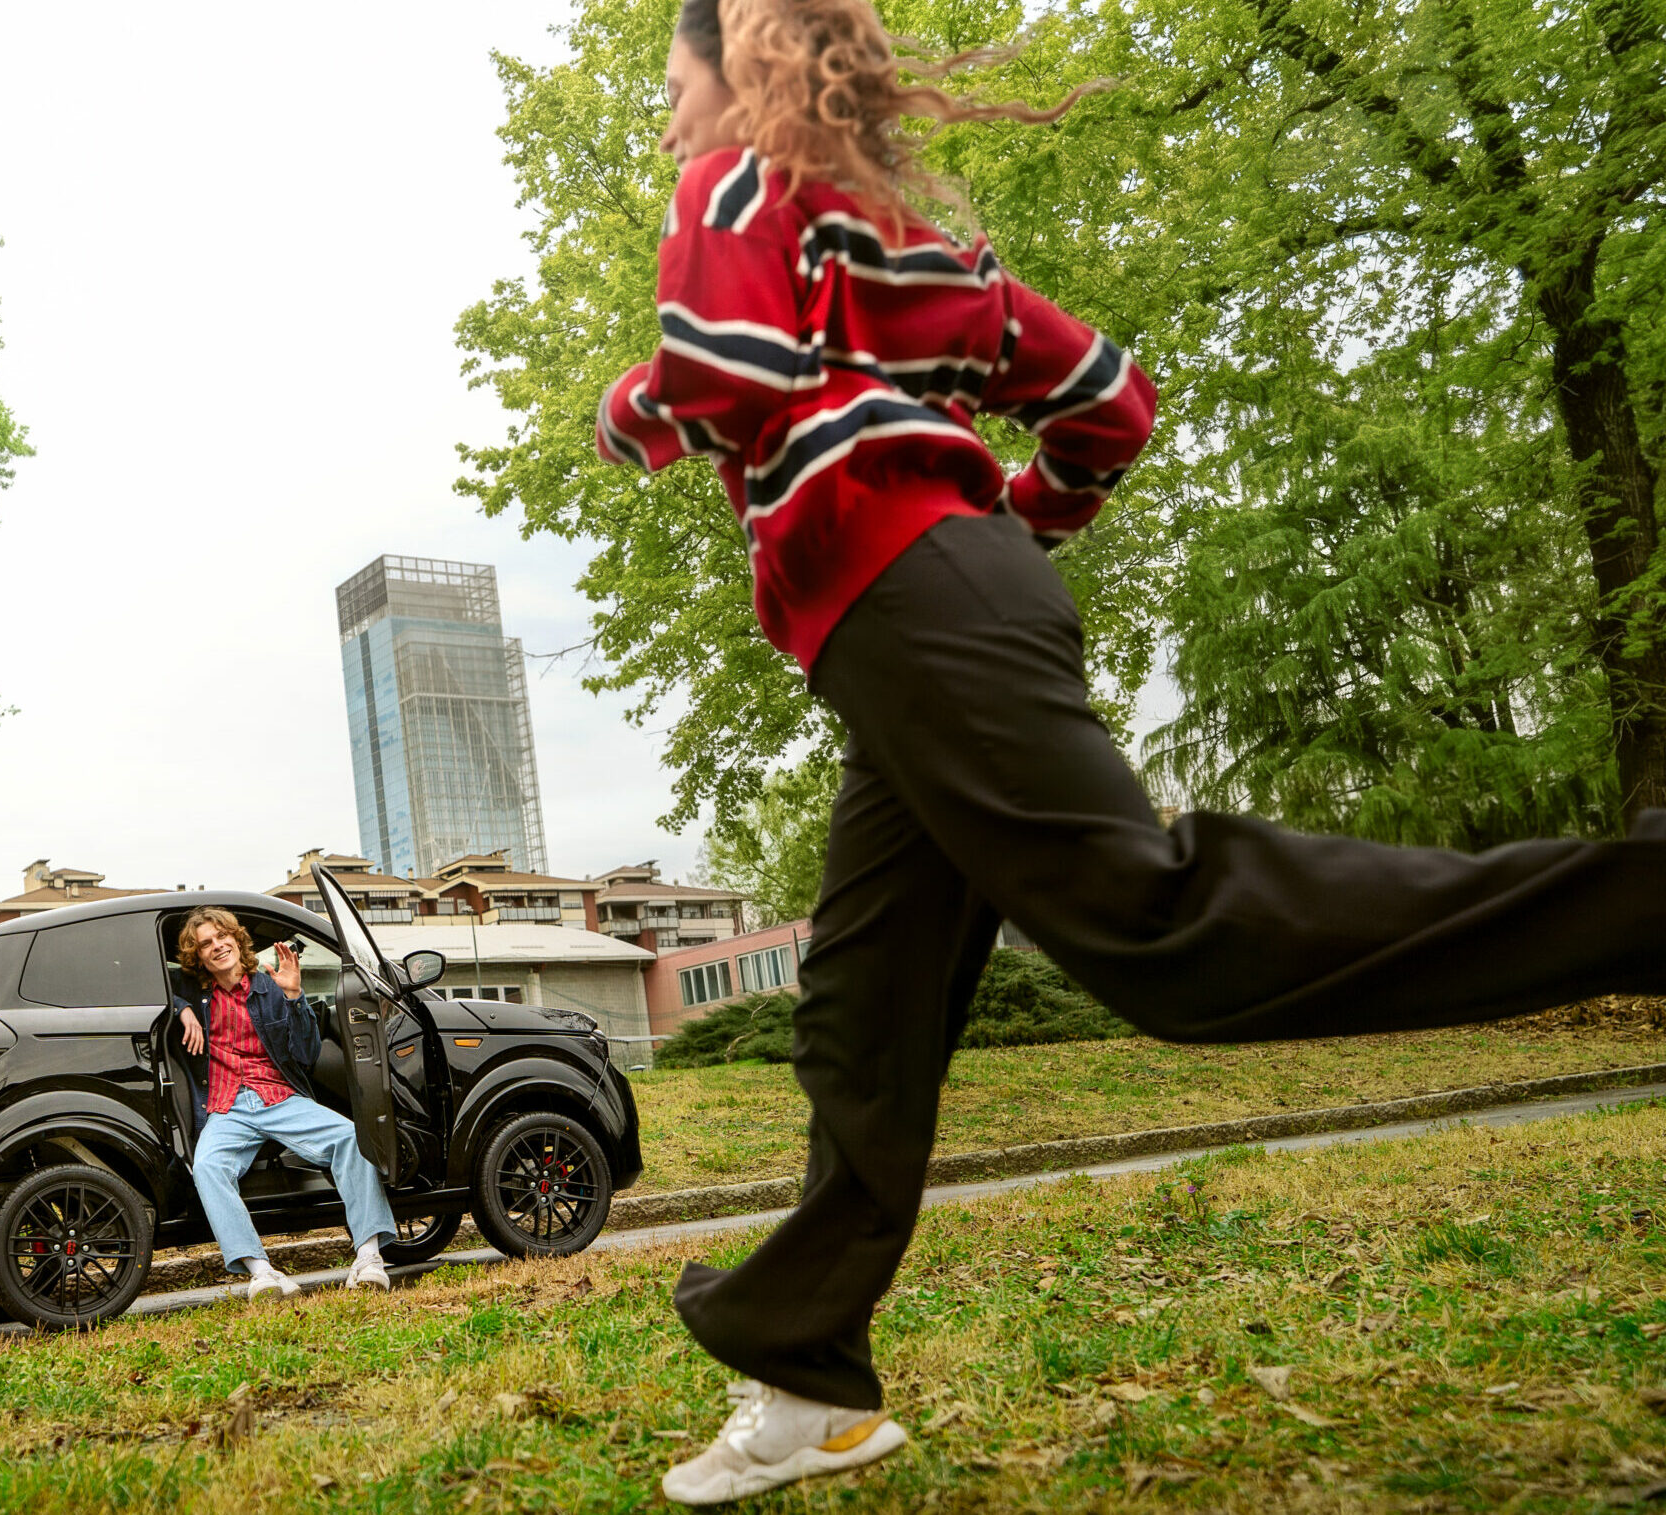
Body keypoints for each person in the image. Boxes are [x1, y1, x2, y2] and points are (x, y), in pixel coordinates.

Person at [599, 0, 1666, 1502]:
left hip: (913, 608)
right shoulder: (900, 237)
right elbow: (1109, 399)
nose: (665, 117)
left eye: (671, 81)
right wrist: (1013, 526)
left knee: (1163, 932)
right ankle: (806, 1376)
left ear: (738, 71)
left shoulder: (733, 191)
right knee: (865, 1000)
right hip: (930, 612)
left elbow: (714, 368)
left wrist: (626, 414)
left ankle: (1640, 899)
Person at [168, 906, 398, 1299]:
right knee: (206, 1167)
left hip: (277, 1096)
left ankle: (369, 1259)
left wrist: (294, 997)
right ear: (199, 956)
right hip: (225, 1106)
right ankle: (262, 1273)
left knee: (350, 1138)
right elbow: (158, 987)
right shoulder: (192, 991)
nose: (217, 946)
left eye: (222, 936)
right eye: (206, 943)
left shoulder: (271, 986)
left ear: (236, 940)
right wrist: (182, 1009)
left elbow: (306, 1055)